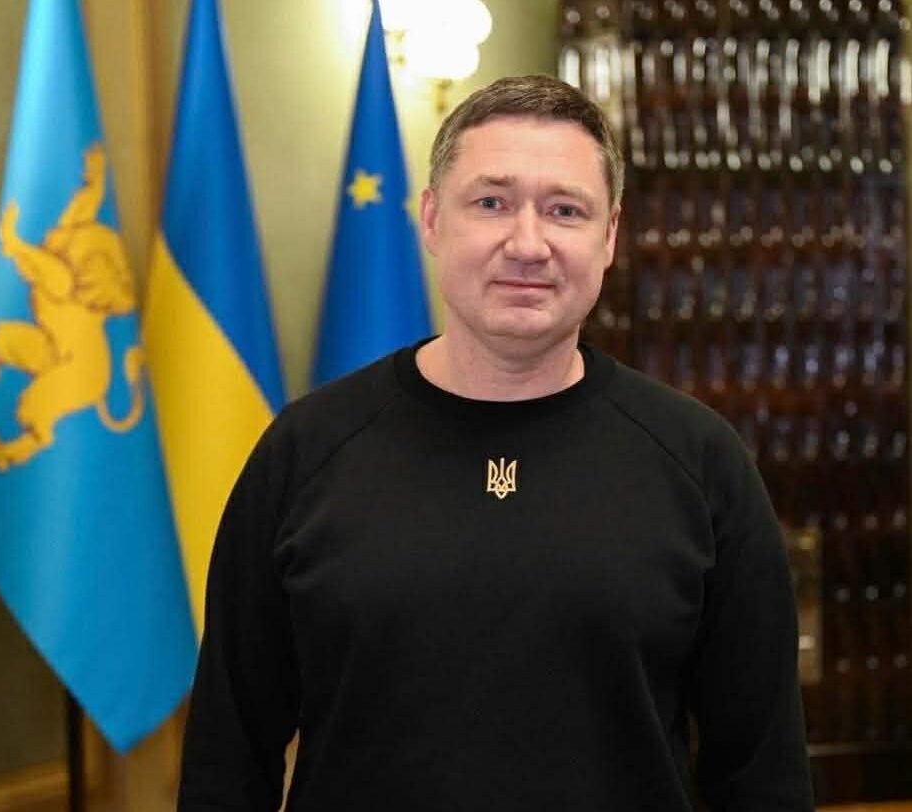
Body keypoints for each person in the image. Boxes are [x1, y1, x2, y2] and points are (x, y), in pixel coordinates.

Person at [178, 74, 813, 811]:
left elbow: (763, 774)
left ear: (609, 236)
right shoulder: (305, 450)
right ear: (431, 220)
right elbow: (228, 760)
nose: (528, 244)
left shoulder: (701, 462)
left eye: (565, 210)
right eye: (491, 203)